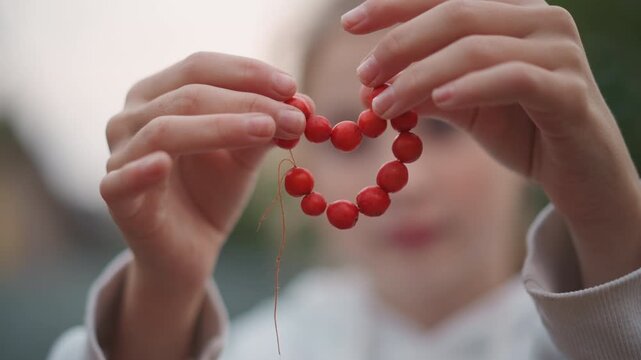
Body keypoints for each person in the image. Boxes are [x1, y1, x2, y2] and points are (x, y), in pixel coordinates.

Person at [49, 0, 641, 359]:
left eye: (444, 127)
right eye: (344, 134)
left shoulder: (586, 341)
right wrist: (164, 290)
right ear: (295, 155)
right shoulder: (267, 350)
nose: (412, 187)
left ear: (526, 133)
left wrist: (612, 224)